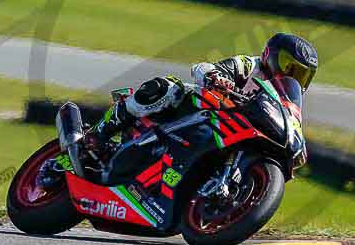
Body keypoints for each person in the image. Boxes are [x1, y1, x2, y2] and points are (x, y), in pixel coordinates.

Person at [83, 33, 318, 162]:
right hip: (202, 108)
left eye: (300, 74)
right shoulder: (250, 66)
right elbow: (202, 67)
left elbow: (292, 125)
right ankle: (100, 132)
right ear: (270, 55)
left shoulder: (284, 99)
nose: (290, 75)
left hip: (226, 134)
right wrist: (217, 78)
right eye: (288, 65)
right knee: (168, 88)